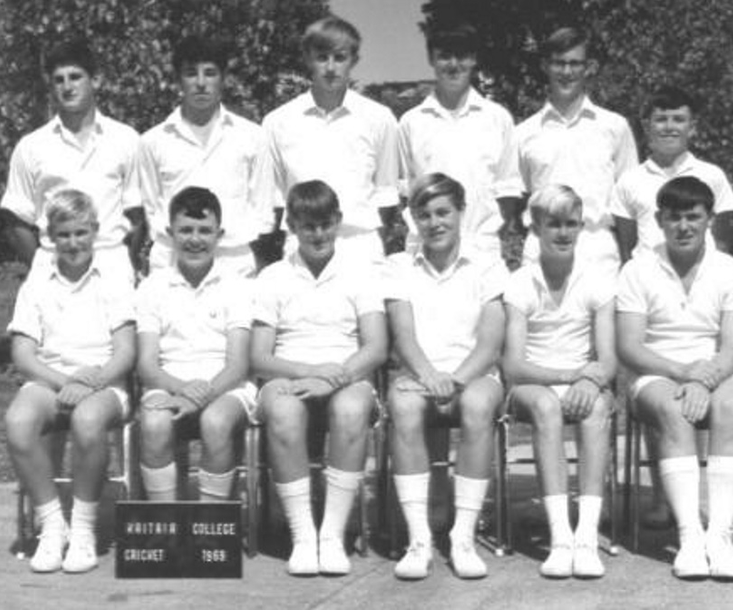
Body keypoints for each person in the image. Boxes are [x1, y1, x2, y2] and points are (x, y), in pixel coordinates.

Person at [615, 176, 733, 581]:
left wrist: (703, 380)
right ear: (659, 220)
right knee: (675, 410)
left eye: (693, 217)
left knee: (729, 406)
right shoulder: (636, 270)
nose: (683, 226)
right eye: (674, 217)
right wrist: (683, 374)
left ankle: (721, 537)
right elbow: (629, 347)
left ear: (709, 219)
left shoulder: (732, 271)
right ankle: (690, 537)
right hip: (656, 373)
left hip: (721, 372)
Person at [249, 180, 388, 576]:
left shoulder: (361, 273)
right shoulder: (273, 277)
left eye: (326, 224)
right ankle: (303, 534)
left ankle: (332, 533)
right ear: (290, 226)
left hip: (347, 375)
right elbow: (259, 357)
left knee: (349, 409)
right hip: (289, 374)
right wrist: (310, 373)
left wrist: (336, 377)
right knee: (284, 411)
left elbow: (376, 348)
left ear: (339, 222)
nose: (318, 234)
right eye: (307, 226)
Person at [3, 190, 137, 574]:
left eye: (81, 233)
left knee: (88, 420)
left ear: (95, 231)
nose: (73, 243)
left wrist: (91, 383)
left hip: (104, 384)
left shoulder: (114, 280)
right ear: (49, 237)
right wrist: (65, 383)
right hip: (52, 380)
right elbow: (24, 356)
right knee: (18, 422)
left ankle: (82, 529)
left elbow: (125, 353)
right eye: (64, 235)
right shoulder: (37, 284)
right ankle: (52, 525)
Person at [384, 173, 508, 580]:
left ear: (460, 213)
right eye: (424, 215)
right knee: (402, 404)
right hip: (419, 375)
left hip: (474, 375)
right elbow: (403, 336)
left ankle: (463, 536)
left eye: (443, 212)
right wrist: (429, 376)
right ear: (412, 220)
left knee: (476, 405)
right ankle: (419, 539)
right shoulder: (398, 266)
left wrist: (453, 381)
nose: (434, 223)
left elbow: (490, 343)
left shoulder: (488, 265)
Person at [501, 184, 615, 579]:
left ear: (581, 227)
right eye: (553, 225)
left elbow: (609, 359)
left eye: (571, 224)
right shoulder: (519, 282)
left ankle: (585, 535)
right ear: (536, 228)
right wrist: (573, 375)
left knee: (597, 408)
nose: (563, 233)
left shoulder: (597, 279)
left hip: (581, 381)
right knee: (548, 407)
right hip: (532, 385)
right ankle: (559, 535)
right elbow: (514, 365)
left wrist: (591, 380)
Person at [135, 187, 257, 503]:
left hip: (227, 387)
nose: (195, 239)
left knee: (215, 422)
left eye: (205, 231)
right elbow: (147, 365)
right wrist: (182, 390)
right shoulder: (152, 287)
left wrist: (201, 396)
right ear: (169, 233)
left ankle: (209, 526)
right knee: (153, 420)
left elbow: (238, 365)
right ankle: (167, 524)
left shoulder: (238, 287)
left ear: (220, 234)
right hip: (169, 384)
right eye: (186, 230)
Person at [0, 37, 144, 287]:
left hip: (114, 275)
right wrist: (44, 270)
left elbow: (138, 213)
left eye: (75, 77)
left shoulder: (126, 139)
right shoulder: (31, 147)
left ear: (95, 80)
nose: (67, 86)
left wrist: (125, 263)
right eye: (59, 80)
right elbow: (16, 220)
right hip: (55, 276)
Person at [262, 16, 402, 265]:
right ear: (307, 59)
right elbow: (275, 200)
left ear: (354, 61)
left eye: (339, 57)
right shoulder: (277, 122)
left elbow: (386, 194)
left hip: (361, 247)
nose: (330, 67)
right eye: (321, 57)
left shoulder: (380, 118)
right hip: (299, 249)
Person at [137, 36, 276, 278]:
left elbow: (263, 210)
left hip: (234, 265)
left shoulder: (253, 137)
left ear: (224, 78)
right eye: (191, 73)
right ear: (178, 80)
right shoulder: (152, 141)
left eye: (210, 73)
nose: (201, 83)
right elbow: (151, 209)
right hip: (170, 265)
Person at [397, 22, 524, 261]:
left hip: (481, 253)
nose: (454, 65)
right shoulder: (410, 122)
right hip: (425, 253)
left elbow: (507, 191)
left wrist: (489, 237)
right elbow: (407, 194)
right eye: (445, 57)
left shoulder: (498, 119)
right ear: (431, 59)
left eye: (461, 56)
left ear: (474, 59)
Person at [514, 26, 638, 272]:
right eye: (559, 63)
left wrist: (630, 262)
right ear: (545, 67)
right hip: (540, 254)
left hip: (598, 253)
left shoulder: (614, 127)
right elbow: (518, 202)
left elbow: (628, 201)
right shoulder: (523, 134)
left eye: (575, 63)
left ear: (588, 67)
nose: (567, 72)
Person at [609, 85, 733, 264]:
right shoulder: (629, 181)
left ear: (692, 127)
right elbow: (627, 248)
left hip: (700, 283)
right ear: (647, 127)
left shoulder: (713, 176)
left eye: (679, 120)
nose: (669, 127)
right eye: (661, 119)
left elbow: (722, 244)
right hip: (648, 283)